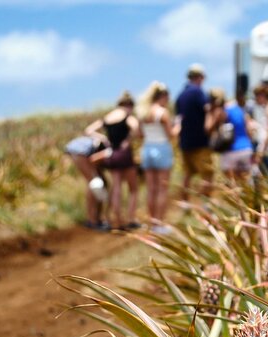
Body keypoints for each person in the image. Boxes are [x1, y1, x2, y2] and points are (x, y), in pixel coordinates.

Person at [86, 91, 141, 232]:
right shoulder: (127, 116)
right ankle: (131, 218)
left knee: (116, 187)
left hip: (112, 155)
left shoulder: (108, 117)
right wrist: (128, 140)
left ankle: (116, 219)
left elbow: (89, 130)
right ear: (129, 105)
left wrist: (104, 138)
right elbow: (136, 128)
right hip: (124, 155)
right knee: (133, 188)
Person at [137, 81, 174, 234]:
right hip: (162, 148)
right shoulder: (162, 113)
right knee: (162, 189)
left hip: (147, 148)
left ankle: (151, 223)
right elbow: (170, 135)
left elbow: (139, 134)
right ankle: (159, 224)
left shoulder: (143, 113)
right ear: (163, 96)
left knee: (151, 189)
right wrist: (179, 127)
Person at [175, 63, 213, 200]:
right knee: (207, 173)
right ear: (200, 77)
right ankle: (206, 204)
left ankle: (185, 204)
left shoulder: (180, 95)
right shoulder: (198, 92)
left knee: (188, 173)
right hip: (200, 141)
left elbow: (178, 118)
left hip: (185, 142)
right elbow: (207, 110)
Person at [206, 88, 254, 179]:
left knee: (231, 185)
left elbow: (208, 128)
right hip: (246, 149)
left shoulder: (221, 111)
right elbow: (249, 129)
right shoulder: (239, 109)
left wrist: (210, 112)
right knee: (244, 184)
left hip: (231, 151)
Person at [64, 135, 108, 230]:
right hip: (81, 152)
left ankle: (96, 218)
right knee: (94, 182)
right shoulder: (109, 150)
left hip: (79, 149)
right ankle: (92, 220)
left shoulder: (105, 145)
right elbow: (93, 159)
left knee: (97, 181)